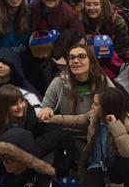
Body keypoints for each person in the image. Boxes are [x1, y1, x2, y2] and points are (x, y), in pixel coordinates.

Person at [48, 86, 129, 187]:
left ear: (108, 107)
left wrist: (115, 126)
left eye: (96, 104)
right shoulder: (93, 117)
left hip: (117, 165)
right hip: (97, 164)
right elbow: (74, 120)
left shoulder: (127, 121)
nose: (92, 106)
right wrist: (51, 118)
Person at [38, 43, 111, 172]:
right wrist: (46, 111)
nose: (76, 61)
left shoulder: (103, 81)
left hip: (94, 134)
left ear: (91, 61)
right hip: (67, 134)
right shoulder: (58, 82)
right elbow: (44, 107)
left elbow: (115, 105)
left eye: (81, 56)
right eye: (72, 58)